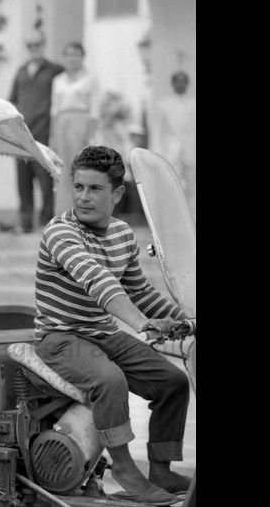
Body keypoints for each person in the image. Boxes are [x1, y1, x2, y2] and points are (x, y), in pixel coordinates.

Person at [33, 146, 191, 504]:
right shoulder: (61, 232)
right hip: (61, 337)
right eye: (78, 187)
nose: (83, 197)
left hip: (104, 334)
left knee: (173, 382)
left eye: (95, 189)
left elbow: (138, 288)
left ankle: (162, 469)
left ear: (117, 193)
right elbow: (98, 280)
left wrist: (184, 318)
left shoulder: (121, 233)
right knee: (110, 380)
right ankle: (124, 470)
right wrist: (141, 324)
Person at [8, 31, 64, 233]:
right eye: (30, 45)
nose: (34, 48)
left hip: (44, 133)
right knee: (23, 181)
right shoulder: (21, 71)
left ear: (44, 45)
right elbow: (13, 100)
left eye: (37, 44)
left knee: (45, 179)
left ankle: (46, 223)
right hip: (22, 136)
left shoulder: (55, 70)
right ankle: (25, 223)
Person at [50, 41, 101, 214]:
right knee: (63, 169)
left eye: (76, 55)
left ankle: (83, 211)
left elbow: (95, 109)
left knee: (81, 168)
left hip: (81, 122)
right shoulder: (58, 80)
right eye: (69, 55)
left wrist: (91, 135)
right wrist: (53, 137)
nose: (72, 59)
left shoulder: (90, 79)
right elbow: (54, 110)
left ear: (82, 57)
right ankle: (63, 213)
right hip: (62, 123)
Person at [154, 70, 196, 221]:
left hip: (192, 149)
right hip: (171, 150)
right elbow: (160, 131)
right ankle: (173, 217)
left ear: (187, 83)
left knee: (192, 185)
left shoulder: (193, 103)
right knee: (172, 184)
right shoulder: (164, 104)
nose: (180, 84)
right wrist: (159, 152)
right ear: (172, 84)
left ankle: (192, 218)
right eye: (177, 81)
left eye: (183, 81)